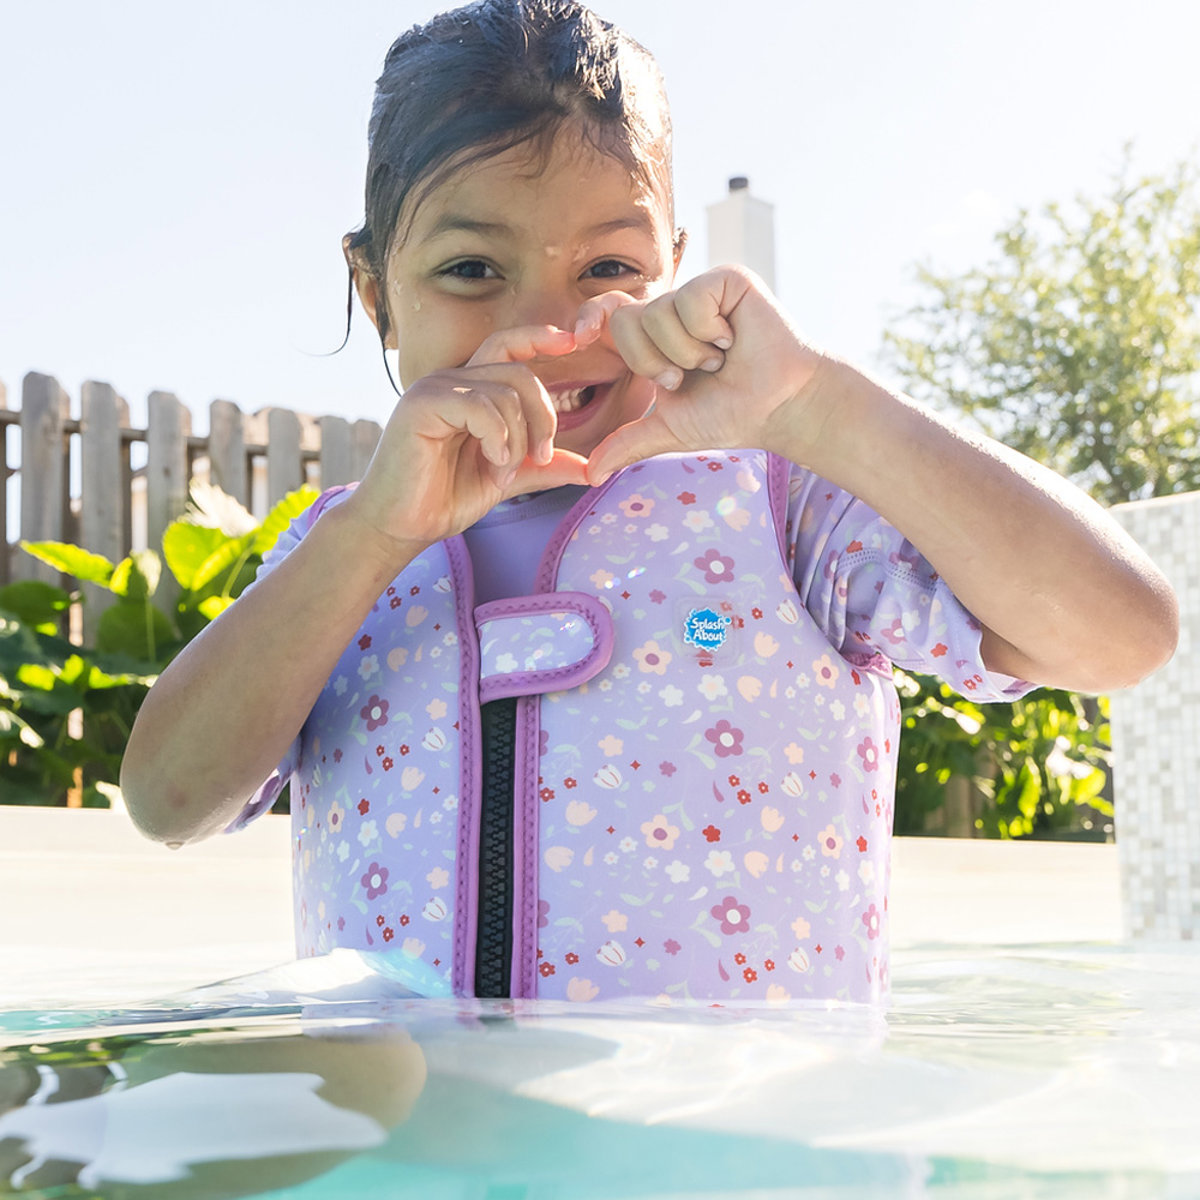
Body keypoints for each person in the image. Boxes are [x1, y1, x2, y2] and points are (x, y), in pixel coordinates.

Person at [120, 0, 1176, 1005]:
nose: (551, 325)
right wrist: (368, 540)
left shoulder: (785, 513)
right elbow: (168, 804)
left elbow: (1122, 637)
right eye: (472, 267)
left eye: (609, 267)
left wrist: (819, 406)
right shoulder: (340, 556)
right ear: (374, 293)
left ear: (673, 269)